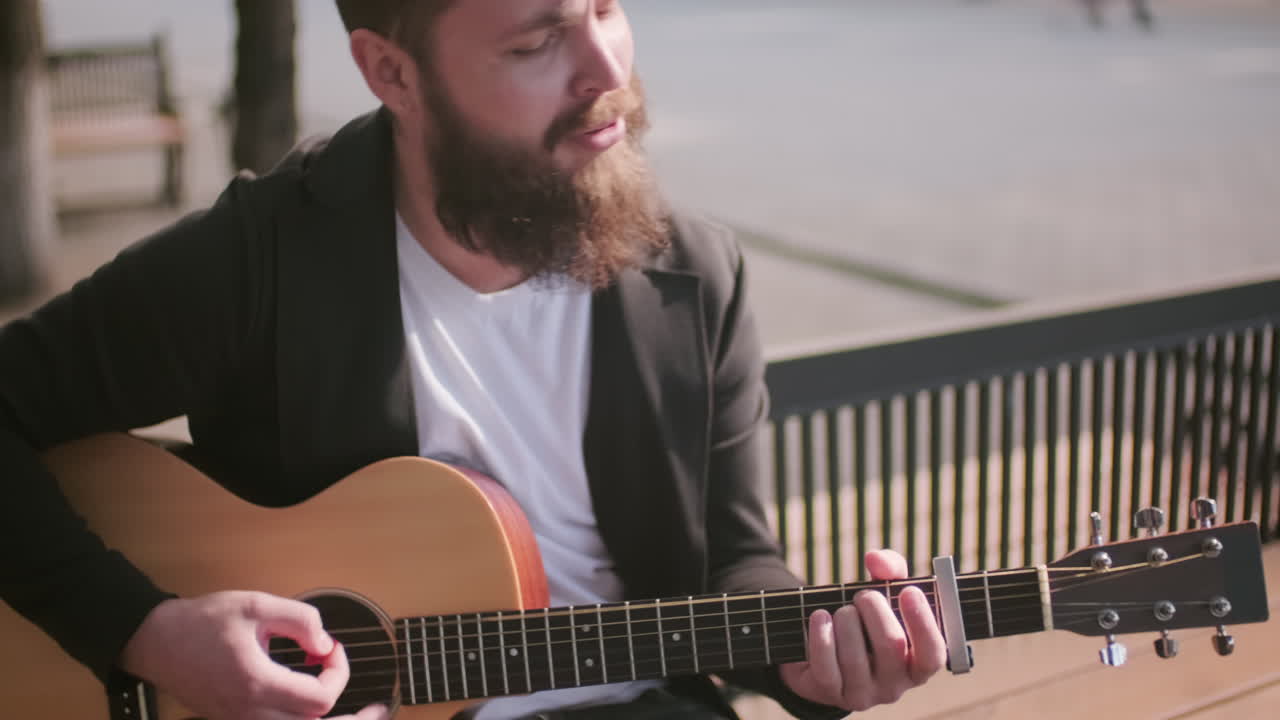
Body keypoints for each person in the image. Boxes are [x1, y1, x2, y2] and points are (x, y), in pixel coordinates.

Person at [0, 1, 945, 718]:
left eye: (607, 5)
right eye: (535, 44)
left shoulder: (693, 271)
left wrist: (813, 658)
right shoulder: (261, 259)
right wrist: (144, 632)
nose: (606, 65)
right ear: (391, 72)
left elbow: (736, 562)